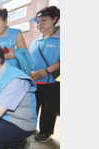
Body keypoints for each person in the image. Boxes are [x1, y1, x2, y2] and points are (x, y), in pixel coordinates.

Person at [29, 6, 60, 142]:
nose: (39, 24)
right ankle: (30, 128)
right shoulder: (35, 41)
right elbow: (30, 60)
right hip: (34, 81)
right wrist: (31, 72)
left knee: (48, 109)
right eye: (38, 21)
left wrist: (46, 71)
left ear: (55, 19)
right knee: (32, 107)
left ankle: (45, 132)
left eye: (44, 20)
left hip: (52, 81)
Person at [0, 8, 33, 76]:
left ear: (6, 21)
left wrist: (14, 54)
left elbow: (25, 56)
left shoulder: (16, 33)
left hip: (13, 74)